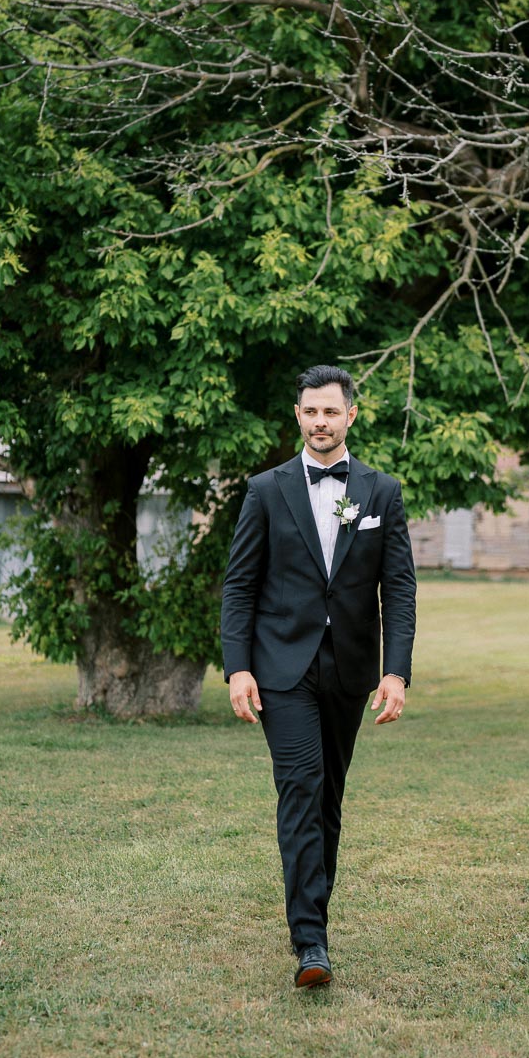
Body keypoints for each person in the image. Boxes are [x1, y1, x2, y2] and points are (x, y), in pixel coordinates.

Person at [220, 364, 417, 988]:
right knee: (301, 789)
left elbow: (399, 588)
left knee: (328, 799)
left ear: (350, 415)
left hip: (350, 670)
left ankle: (314, 922)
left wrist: (396, 672)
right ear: (298, 416)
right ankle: (311, 941)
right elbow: (241, 584)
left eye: (330, 412)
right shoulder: (265, 490)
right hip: (282, 668)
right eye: (310, 412)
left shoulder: (381, 493)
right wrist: (238, 667)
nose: (320, 422)